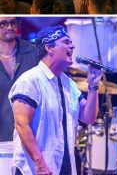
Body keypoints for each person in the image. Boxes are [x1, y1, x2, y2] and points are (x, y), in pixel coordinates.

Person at [9, 25, 103, 174]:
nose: (72, 45)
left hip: (64, 165)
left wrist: (93, 85)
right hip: (35, 168)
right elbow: (22, 124)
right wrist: (39, 164)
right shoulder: (30, 80)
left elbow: (88, 117)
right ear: (49, 48)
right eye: (66, 42)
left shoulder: (69, 84)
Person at [0, 17, 39, 142]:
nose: (9, 27)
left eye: (13, 23)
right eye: (3, 24)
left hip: (30, 137)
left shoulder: (34, 53)